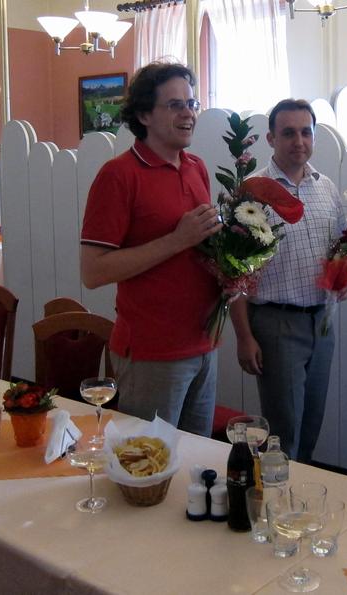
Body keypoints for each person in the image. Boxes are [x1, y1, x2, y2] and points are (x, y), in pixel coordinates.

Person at [80, 62, 223, 436]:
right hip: (152, 353)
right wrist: (177, 239)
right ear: (144, 114)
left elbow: (196, 250)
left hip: (204, 344)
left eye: (192, 104)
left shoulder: (197, 168)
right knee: (149, 462)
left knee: (196, 462)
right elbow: (93, 271)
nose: (188, 114)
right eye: (175, 105)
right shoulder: (118, 175)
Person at [230, 99, 346, 463]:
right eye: (289, 133)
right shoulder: (253, 192)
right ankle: (276, 493)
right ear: (271, 138)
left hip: (322, 322)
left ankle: (301, 489)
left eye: (306, 132)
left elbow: (339, 249)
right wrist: (244, 337)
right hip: (276, 325)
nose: (299, 141)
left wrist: (341, 277)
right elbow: (233, 272)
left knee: (311, 425)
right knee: (284, 430)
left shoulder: (326, 189)